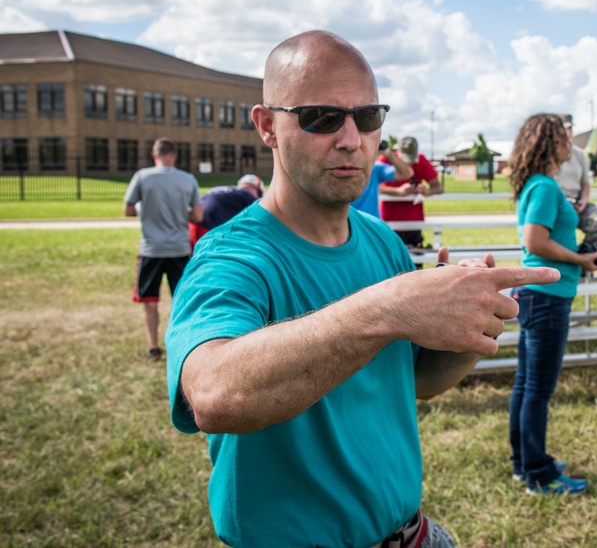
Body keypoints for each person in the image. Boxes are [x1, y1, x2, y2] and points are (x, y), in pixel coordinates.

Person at [165, 30, 557, 548]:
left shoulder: (381, 243)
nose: (351, 138)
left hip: (412, 533)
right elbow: (214, 396)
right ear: (267, 126)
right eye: (322, 117)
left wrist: (472, 329)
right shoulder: (233, 257)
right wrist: (391, 306)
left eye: (367, 117)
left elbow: (413, 382)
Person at [506, 113, 597, 496]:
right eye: (565, 136)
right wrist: (580, 259)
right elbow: (535, 242)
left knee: (527, 384)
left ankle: (524, 463)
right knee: (537, 390)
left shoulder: (537, 184)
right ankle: (540, 475)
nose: (571, 142)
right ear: (550, 142)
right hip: (546, 297)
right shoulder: (545, 187)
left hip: (538, 295)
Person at [123, 138, 203, 362]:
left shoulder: (142, 177)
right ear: (175, 155)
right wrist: (180, 213)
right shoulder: (188, 179)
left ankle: (153, 348)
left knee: (150, 300)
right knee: (182, 298)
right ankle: (184, 345)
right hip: (179, 248)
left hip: (151, 249)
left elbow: (128, 210)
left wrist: (145, 209)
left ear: (153, 155)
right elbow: (198, 215)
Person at [379, 136, 442, 250]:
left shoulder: (421, 160)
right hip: (388, 224)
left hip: (414, 224)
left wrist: (427, 191)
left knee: (416, 266)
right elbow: (372, 187)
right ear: (398, 152)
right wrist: (397, 191)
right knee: (391, 264)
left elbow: (438, 187)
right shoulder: (385, 161)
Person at [555, 114, 597, 248]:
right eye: (566, 129)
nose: (569, 132)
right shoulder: (548, 155)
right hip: (556, 202)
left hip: (577, 202)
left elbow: (586, 183)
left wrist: (583, 202)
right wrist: (564, 201)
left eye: (571, 128)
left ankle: (584, 258)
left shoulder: (579, 154)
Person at [188, 174, 265, 248]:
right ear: (250, 187)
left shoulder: (219, 190)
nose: (257, 198)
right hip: (206, 232)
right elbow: (261, 217)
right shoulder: (246, 194)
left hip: (191, 226)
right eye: (259, 193)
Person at [351, 139, 413, 217]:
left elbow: (406, 173)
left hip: (372, 224)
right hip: (351, 223)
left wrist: (386, 152)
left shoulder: (375, 168)